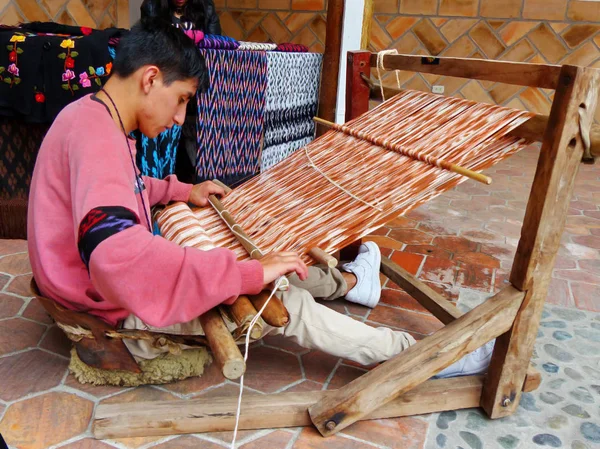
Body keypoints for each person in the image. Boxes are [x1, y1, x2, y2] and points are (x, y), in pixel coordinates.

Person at [27, 18, 492, 378]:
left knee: (278, 261)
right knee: (282, 296)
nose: (177, 118)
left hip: (77, 284)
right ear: (150, 79)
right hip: (109, 310)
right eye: (183, 99)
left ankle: (351, 285)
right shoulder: (99, 141)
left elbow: (122, 190)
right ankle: (417, 358)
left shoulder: (88, 118)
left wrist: (181, 190)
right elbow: (114, 257)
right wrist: (245, 273)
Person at [140, 0, 221, 33]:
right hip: (165, 63)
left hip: (200, 63)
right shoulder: (152, 7)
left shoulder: (206, 7)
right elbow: (149, 45)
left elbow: (215, 44)